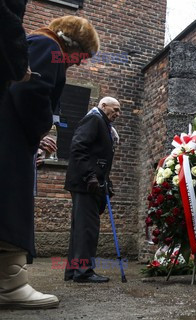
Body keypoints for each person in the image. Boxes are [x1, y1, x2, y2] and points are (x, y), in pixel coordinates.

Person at [0, 14, 99, 308]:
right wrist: (42, 129)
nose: (80, 63)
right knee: (12, 205)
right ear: (71, 44)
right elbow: (31, 89)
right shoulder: (48, 46)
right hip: (12, 141)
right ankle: (10, 284)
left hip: (11, 135)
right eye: (82, 55)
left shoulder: (37, 44)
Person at [64, 97, 121, 283]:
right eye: (115, 109)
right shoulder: (94, 120)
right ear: (103, 106)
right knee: (87, 228)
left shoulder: (103, 124)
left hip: (90, 183)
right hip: (85, 184)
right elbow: (78, 148)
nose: (117, 114)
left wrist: (105, 180)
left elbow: (97, 157)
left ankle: (74, 271)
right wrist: (90, 176)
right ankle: (84, 272)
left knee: (81, 228)